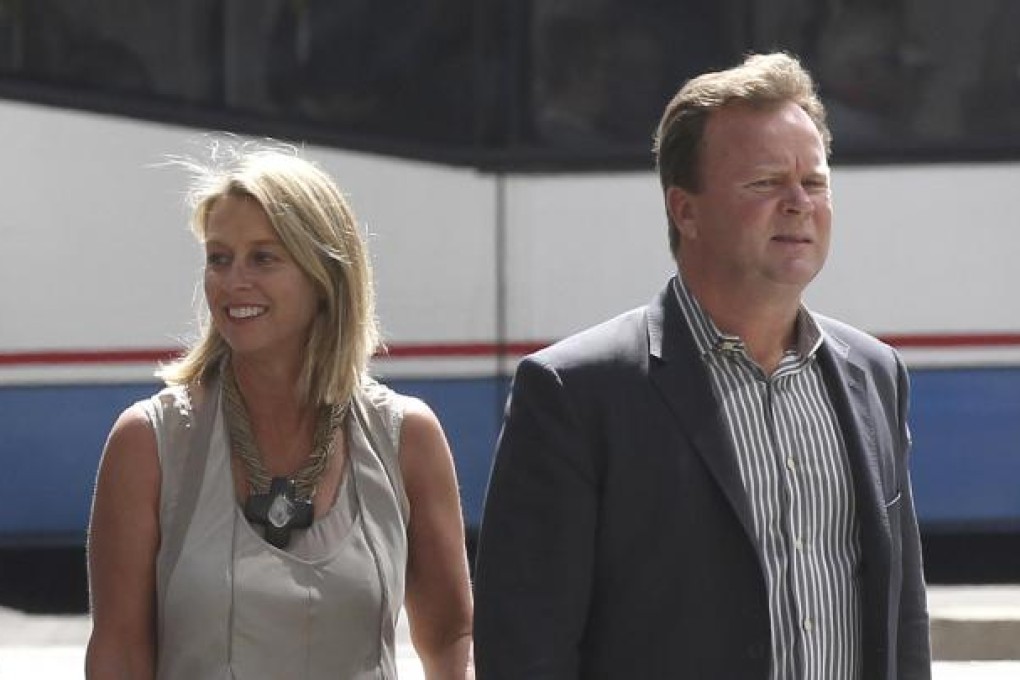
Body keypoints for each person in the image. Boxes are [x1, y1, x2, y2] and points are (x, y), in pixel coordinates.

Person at [473, 52, 931, 679]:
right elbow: (526, 645)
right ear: (685, 210)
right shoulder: (575, 393)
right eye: (765, 183)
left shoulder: (876, 376)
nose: (799, 203)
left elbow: (902, 620)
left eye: (815, 182)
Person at [86, 144, 474, 679]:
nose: (233, 281)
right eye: (219, 258)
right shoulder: (149, 442)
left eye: (263, 258)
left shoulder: (405, 436)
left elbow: (452, 637)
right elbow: (118, 654)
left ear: (324, 275)